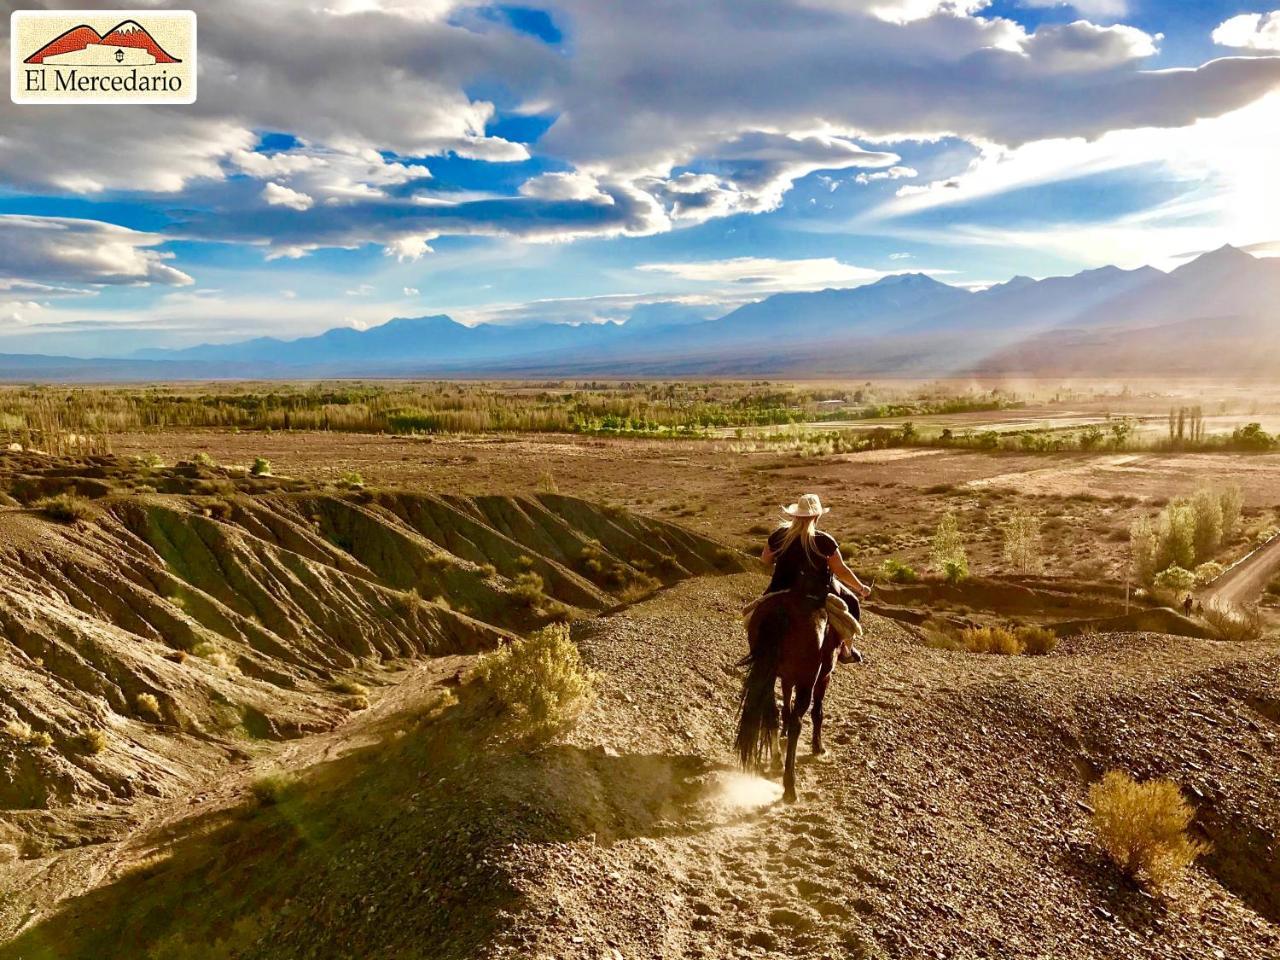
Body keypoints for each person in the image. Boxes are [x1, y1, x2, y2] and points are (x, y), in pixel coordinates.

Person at [746, 493, 871, 664]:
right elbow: (840, 570)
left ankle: (757, 649)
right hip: (816, 592)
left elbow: (764, 562)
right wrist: (861, 588)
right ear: (817, 515)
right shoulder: (824, 541)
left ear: (796, 515)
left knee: (754, 615)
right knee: (852, 602)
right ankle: (846, 650)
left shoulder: (777, 537)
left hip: (780, 588)